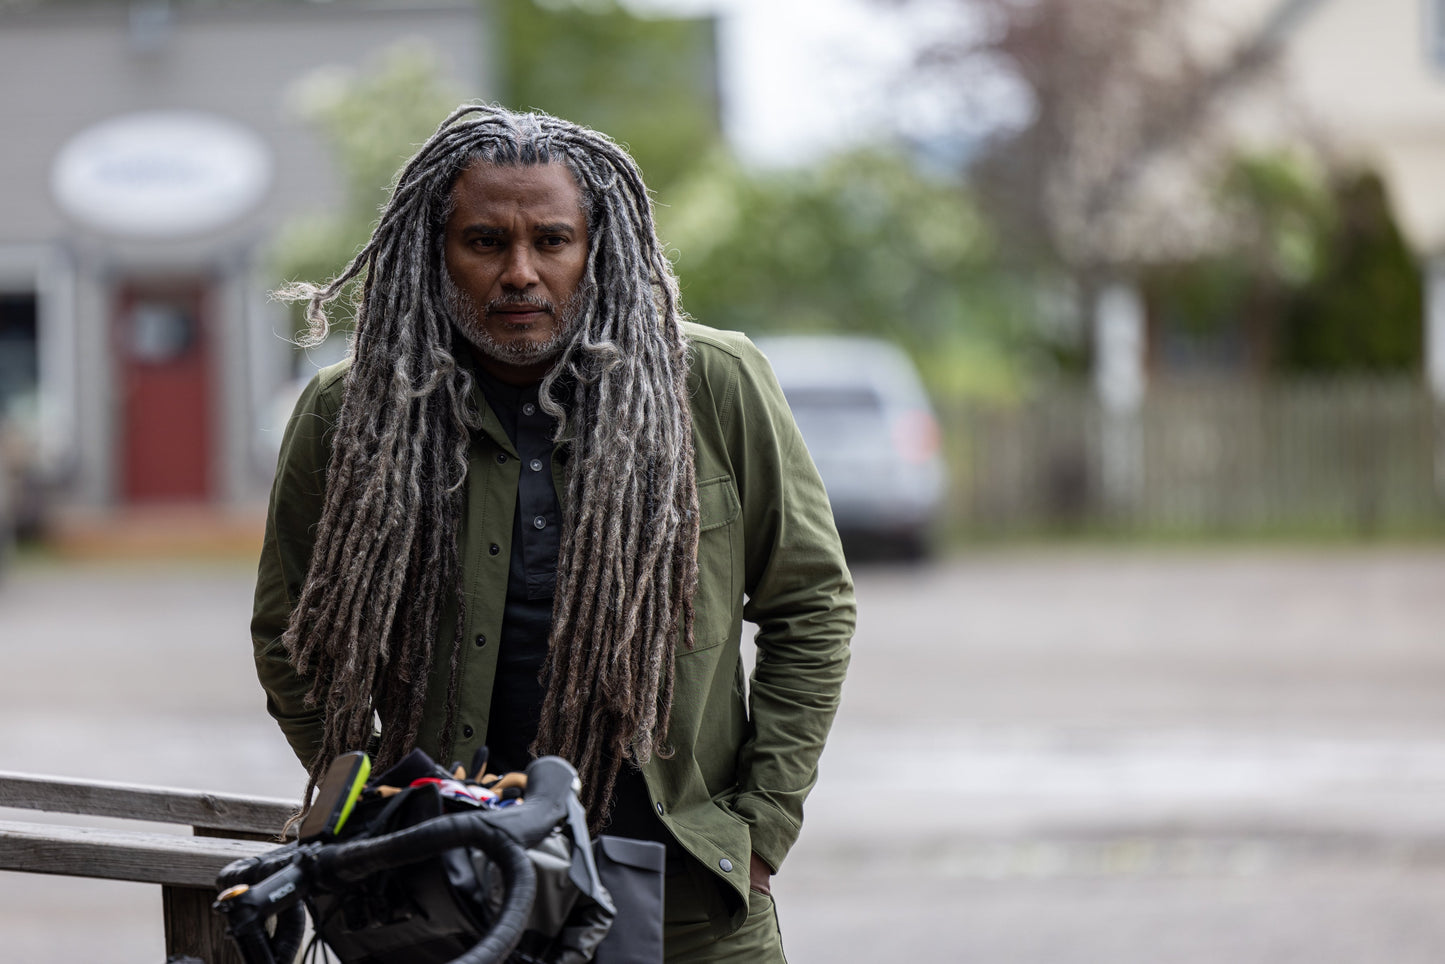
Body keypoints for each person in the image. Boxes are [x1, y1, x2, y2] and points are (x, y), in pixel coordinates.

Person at [251, 103, 854, 961]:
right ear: (436, 251)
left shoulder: (713, 385)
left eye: (552, 241)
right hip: (443, 887)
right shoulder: (349, 414)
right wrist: (374, 801)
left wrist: (760, 825)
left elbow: (811, 606)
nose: (520, 273)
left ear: (595, 249)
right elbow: (289, 633)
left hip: (684, 881)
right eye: (486, 242)